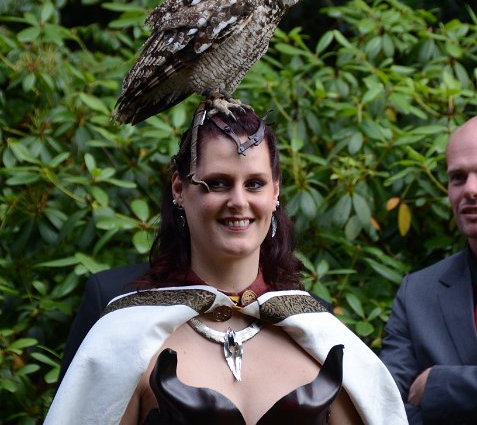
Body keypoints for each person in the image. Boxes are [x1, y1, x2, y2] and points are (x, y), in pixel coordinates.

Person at [45, 103, 406, 424]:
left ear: (275, 192)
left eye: (255, 184)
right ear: (179, 189)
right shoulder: (124, 332)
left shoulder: (316, 330)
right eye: (218, 183)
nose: (238, 201)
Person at [380, 116, 477, 424]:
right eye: (458, 177)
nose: (470, 189)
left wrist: (441, 385)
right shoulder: (418, 293)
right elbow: (386, 406)